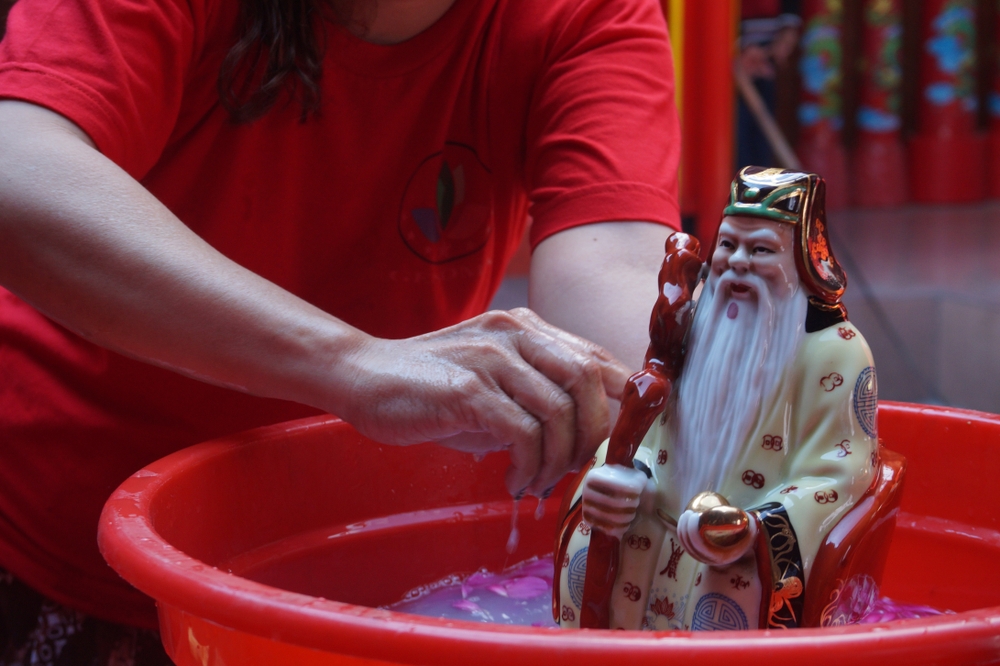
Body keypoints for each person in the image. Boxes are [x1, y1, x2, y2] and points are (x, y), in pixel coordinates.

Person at [0, 0, 680, 661]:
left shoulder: (588, 13)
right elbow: (19, 172)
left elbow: (615, 273)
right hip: (65, 542)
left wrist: (664, 435)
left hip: (353, 572)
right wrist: (353, 364)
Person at [555, 166, 880, 631]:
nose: (739, 262)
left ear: (800, 263)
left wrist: (753, 529)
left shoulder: (836, 352)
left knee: (734, 595)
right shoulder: (691, 327)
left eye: (762, 249)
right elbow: (647, 435)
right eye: (728, 245)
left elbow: (842, 468)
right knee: (597, 530)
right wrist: (628, 478)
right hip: (655, 524)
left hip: (741, 541)